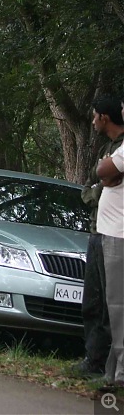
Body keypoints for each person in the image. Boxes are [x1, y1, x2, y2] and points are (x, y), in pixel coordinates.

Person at [73, 95, 124, 377]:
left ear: (104, 117)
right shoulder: (107, 148)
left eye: (94, 116)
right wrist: (101, 182)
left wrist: (102, 182)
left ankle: (108, 366)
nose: (92, 121)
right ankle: (92, 359)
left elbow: (104, 182)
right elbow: (95, 182)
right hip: (96, 231)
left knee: (111, 303)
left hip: (114, 234)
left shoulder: (121, 147)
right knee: (91, 301)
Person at [96, 96, 124, 389]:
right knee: (113, 305)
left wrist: (108, 172)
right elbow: (107, 176)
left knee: (117, 306)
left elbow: (103, 172)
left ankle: (120, 375)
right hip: (112, 232)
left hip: (119, 234)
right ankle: (112, 371)